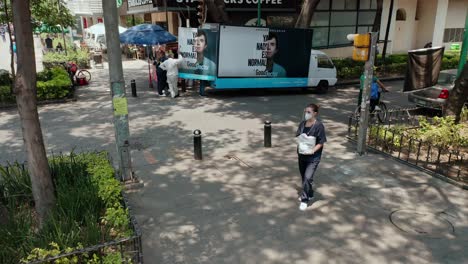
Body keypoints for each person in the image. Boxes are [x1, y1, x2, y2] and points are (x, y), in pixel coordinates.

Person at [295, 103, 327, 211]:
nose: (306, 114)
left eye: (309, 112)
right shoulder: (302, 124)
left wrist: (312, 150)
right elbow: (297, 136)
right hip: (302, 155)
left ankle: (305, 200)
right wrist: (300, 138)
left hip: (313, 158)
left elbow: (321, 142)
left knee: (308, 177)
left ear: (315, 113)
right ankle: (310, 192)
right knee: (304, 177)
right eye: (305, 112)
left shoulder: (319, 126)